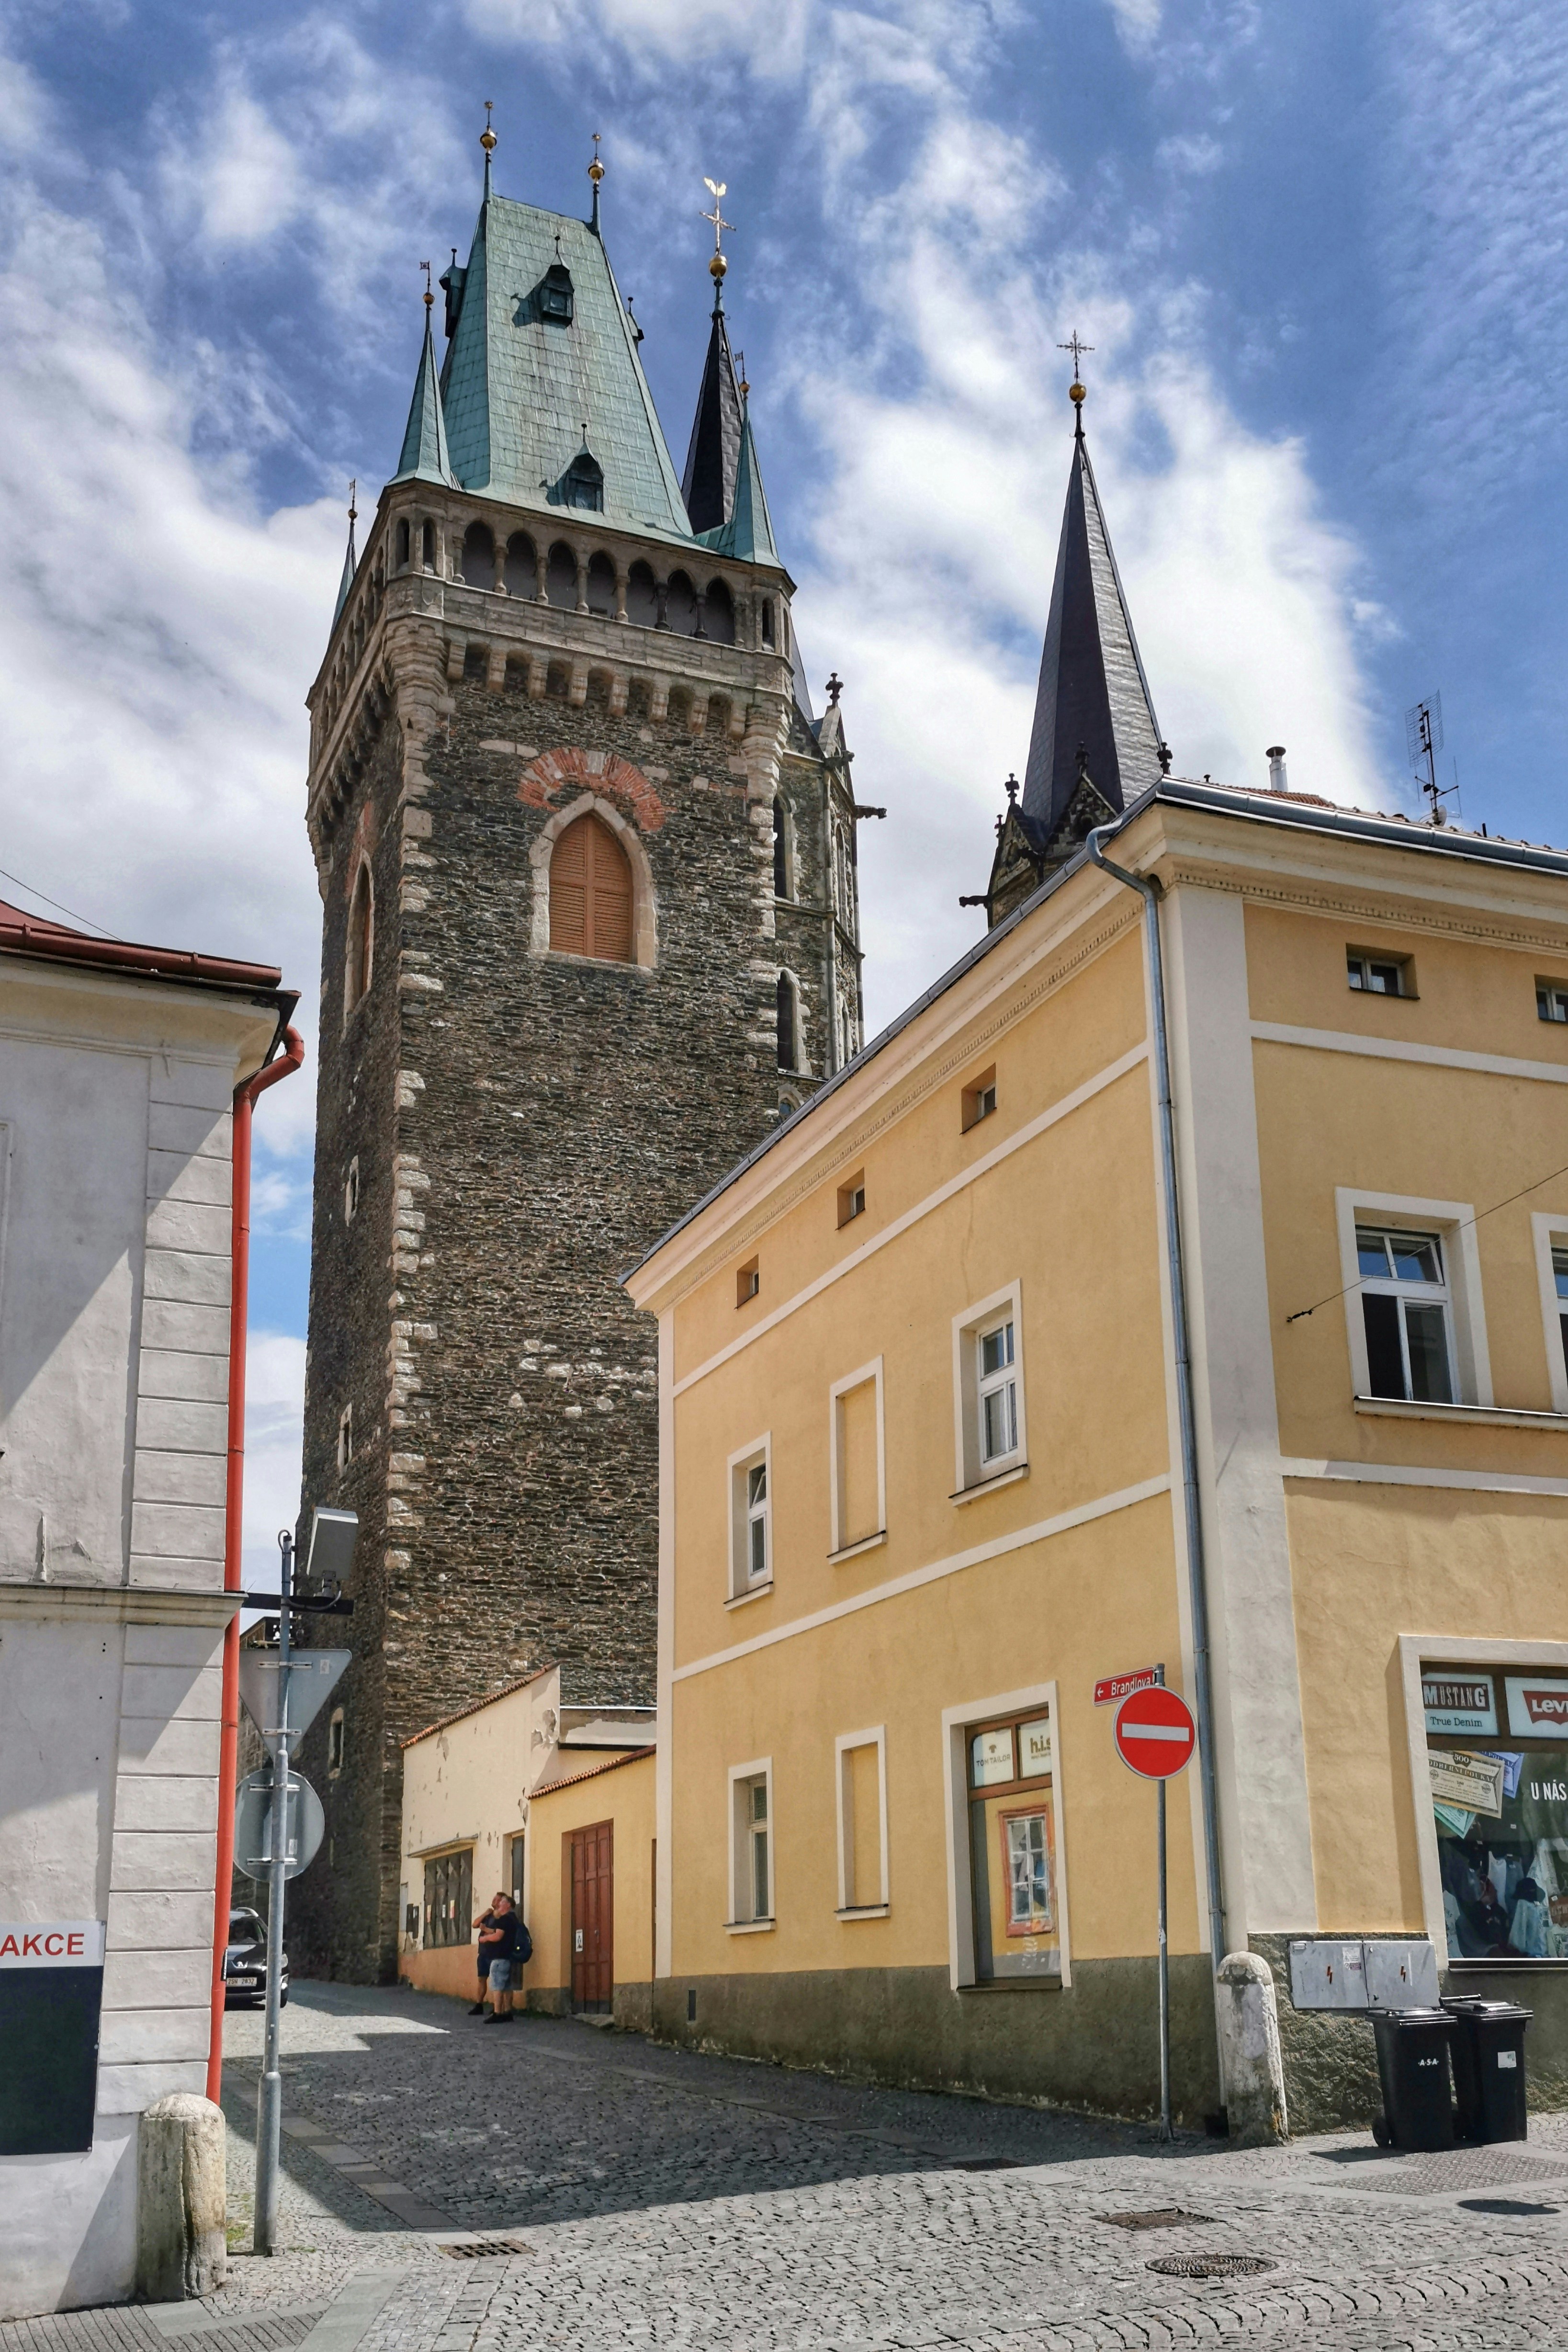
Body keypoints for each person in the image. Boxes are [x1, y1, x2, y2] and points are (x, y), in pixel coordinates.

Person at [482, 1891, 524, 2022]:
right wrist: (489, 1931)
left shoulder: (504, 1919)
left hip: (499, 1957)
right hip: (508, 1957)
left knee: (497, 1986)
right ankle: (508, 2012)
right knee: (506, 1986)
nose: (499, 1904)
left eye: (502, 1902)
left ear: (508, 1905)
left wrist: (485, 1938)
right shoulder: (513, 1919)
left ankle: (497, 2013)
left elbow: (498, 1936)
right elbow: (500, 1932)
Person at [470, 1891, 507, 2016]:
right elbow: (475, 1924)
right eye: (494, 1898)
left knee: (497, 1981)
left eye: (497, 1900)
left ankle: (498, 2008)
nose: (494, 1901)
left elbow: (498, 1933)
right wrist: (485, 1913)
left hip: (495, 1953)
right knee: (482, 1979)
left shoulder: (502, 1917)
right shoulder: (489, 1915)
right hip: (484, 1952)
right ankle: (479, 2004)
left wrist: (486, 1931)